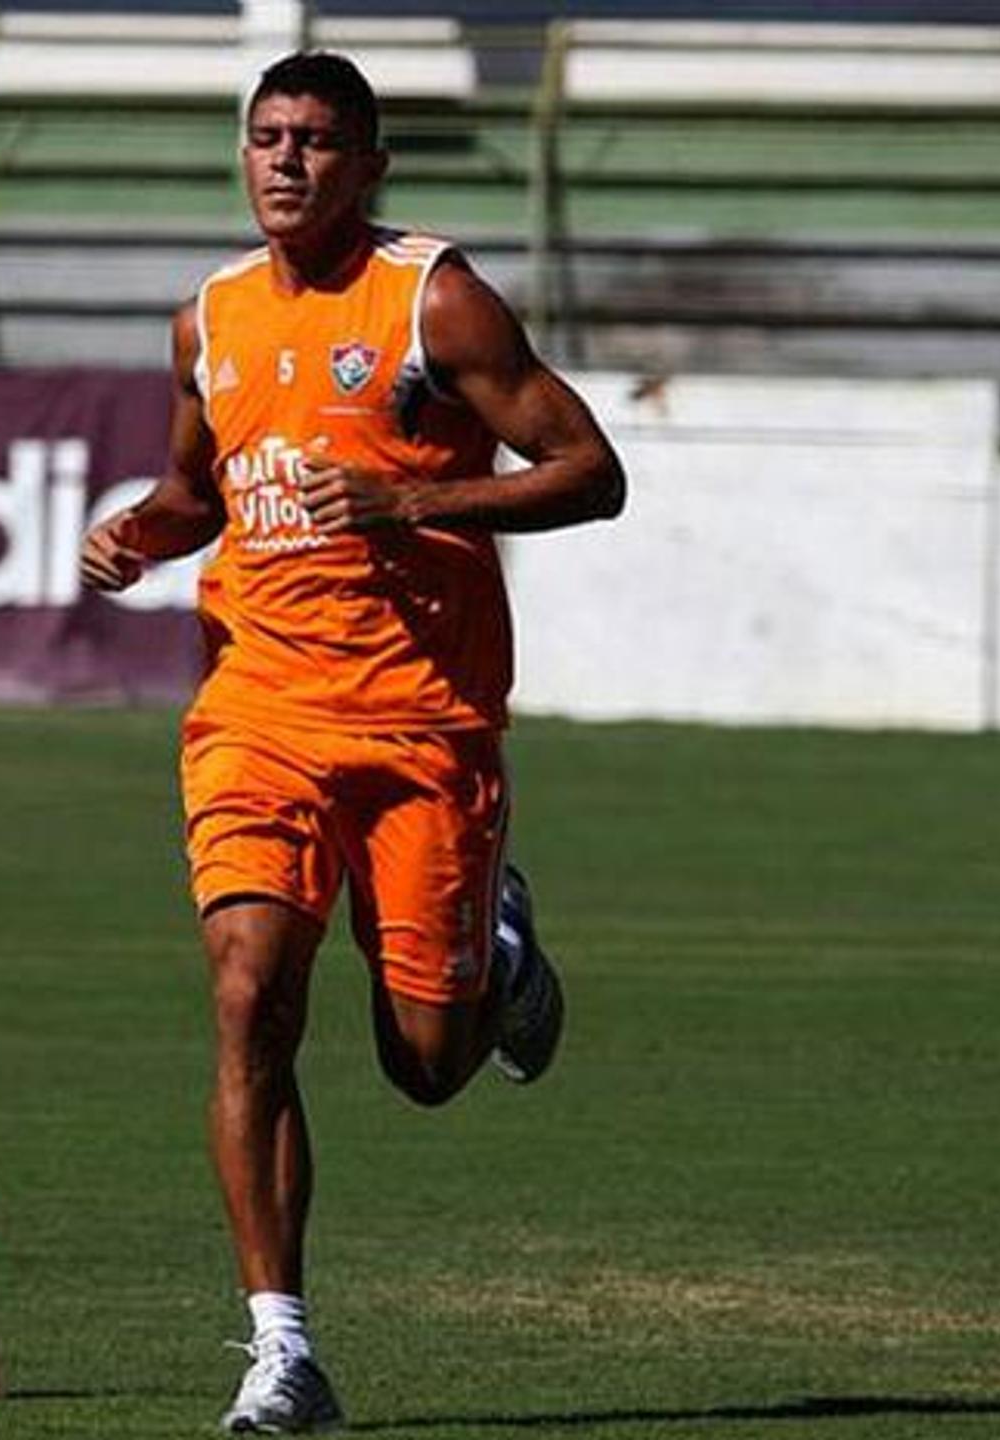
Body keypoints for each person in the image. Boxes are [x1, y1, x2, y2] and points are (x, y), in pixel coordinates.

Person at [79, 50, 625, 1433]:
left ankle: (496, 949)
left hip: (424, 723)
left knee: (428, 1064)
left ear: (370, 165)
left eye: (318, 141)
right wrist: (144, 530)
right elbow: (199, 487)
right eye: (266, 136)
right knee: (249, 993)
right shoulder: (205, 315)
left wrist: (407, 498)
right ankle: (283, 1350)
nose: (286, 162)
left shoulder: (435, 299)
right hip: (256, 709)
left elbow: (591, 472)